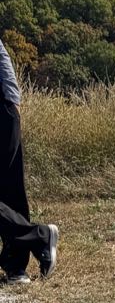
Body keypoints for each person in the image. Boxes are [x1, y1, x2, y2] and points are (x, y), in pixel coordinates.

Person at [0, 38, 58, 285]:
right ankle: (17, 266)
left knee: (11, 189)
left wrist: (12, 104)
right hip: (5, 109)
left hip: (2, 109)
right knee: (10, 191)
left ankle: (35, 240)